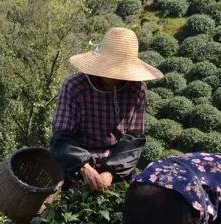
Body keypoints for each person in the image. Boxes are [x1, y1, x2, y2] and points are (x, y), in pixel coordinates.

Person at [51, 27, 163, 192]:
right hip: (78, 167)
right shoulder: (75, 87)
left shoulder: (137, 89)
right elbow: (61, 139)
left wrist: (110, 173)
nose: (116, 75)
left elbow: (134, 138)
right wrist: (84, 167)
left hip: (118, 166)